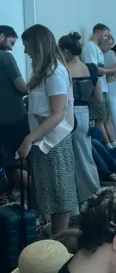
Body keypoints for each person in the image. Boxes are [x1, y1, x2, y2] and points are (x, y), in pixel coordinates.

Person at [19, 24, 77, 236]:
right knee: (49, 191)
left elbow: (57, 114)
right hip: (42, 135)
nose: (25, 51)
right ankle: (53, 234)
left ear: (37, 45)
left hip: (53, 138)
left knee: (60, 193)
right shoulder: (42, 70)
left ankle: (59, 240)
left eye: (27, 46)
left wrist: (30, 138)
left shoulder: (54, 72)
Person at [58, 32, 102, 203]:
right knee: (85, 155)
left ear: (66, 52)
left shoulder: (63, 70)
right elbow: (98, 98)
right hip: (84, 113)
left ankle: (73, 195)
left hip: (66, 113)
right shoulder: (91, 68)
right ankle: (92, 194)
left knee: (65, 158)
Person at [81, 24, 116, 147]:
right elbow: (93, 71)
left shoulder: (96, 48)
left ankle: (115, 146)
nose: (106, 39)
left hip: (103, 87)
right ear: (98, 33)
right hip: (97, 88)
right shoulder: (89, 47)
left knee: (107, 118)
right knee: (100, 119)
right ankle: (108, 147)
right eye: (105, 35)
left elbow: (100, 69)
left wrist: (112, 69)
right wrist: (113, 70)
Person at [0, 25, 29, 195]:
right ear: (2, 36)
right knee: (24, 160)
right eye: (11, 42)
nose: (11, 47)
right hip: (14, 119)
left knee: (6, 161)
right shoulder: (5, 58)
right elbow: (22, 88)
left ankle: (7, 196)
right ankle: (37, 204)